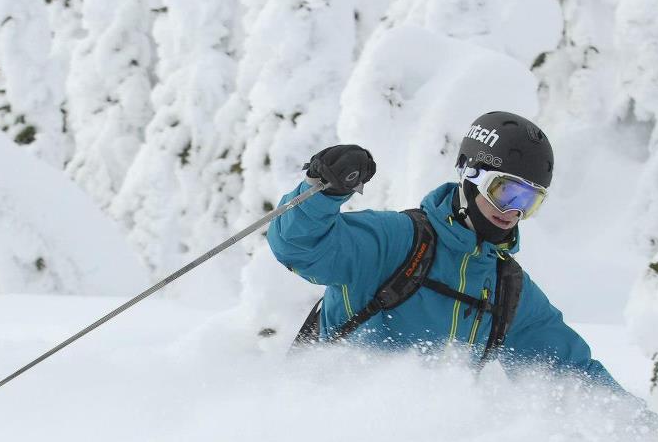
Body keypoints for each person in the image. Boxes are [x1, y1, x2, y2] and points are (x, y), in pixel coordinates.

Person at [267, 110, 633, 398]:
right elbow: (300, 246)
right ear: (471, 176)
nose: (513, 212)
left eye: (529, 201)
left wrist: (656, 441)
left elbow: (574, 376)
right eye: (505, 192)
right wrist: (321, 190)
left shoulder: (506, 288)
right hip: (327, 436)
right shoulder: (396, 242)